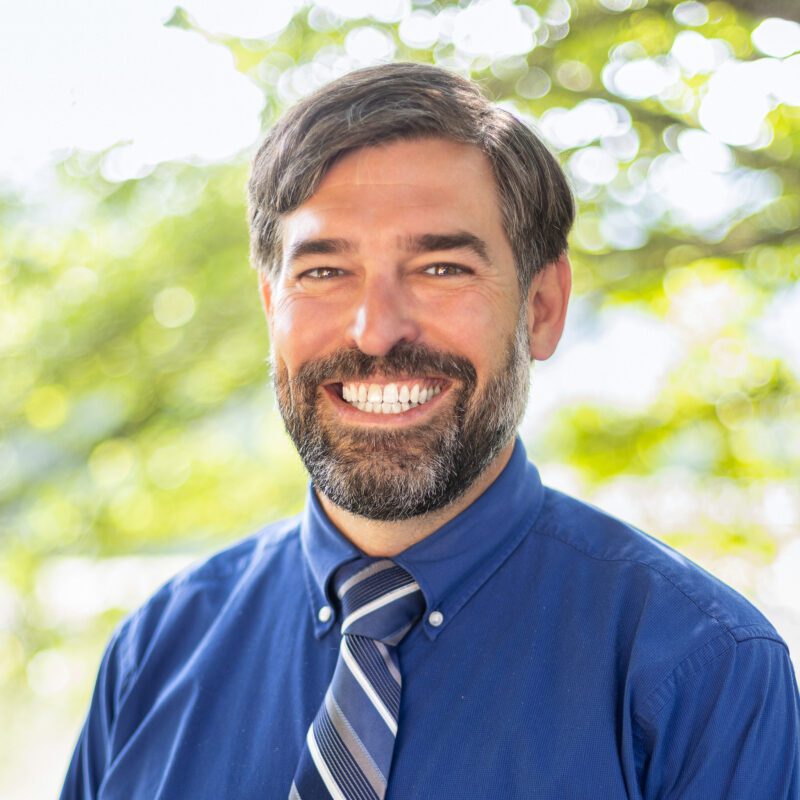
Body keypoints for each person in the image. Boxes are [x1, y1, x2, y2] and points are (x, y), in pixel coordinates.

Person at [61, 62, 800, 800]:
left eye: (441, 267)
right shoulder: (154, 652)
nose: (376, 331)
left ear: (541, 307)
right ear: (270, 305)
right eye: (323, 272)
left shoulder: (702, 671)